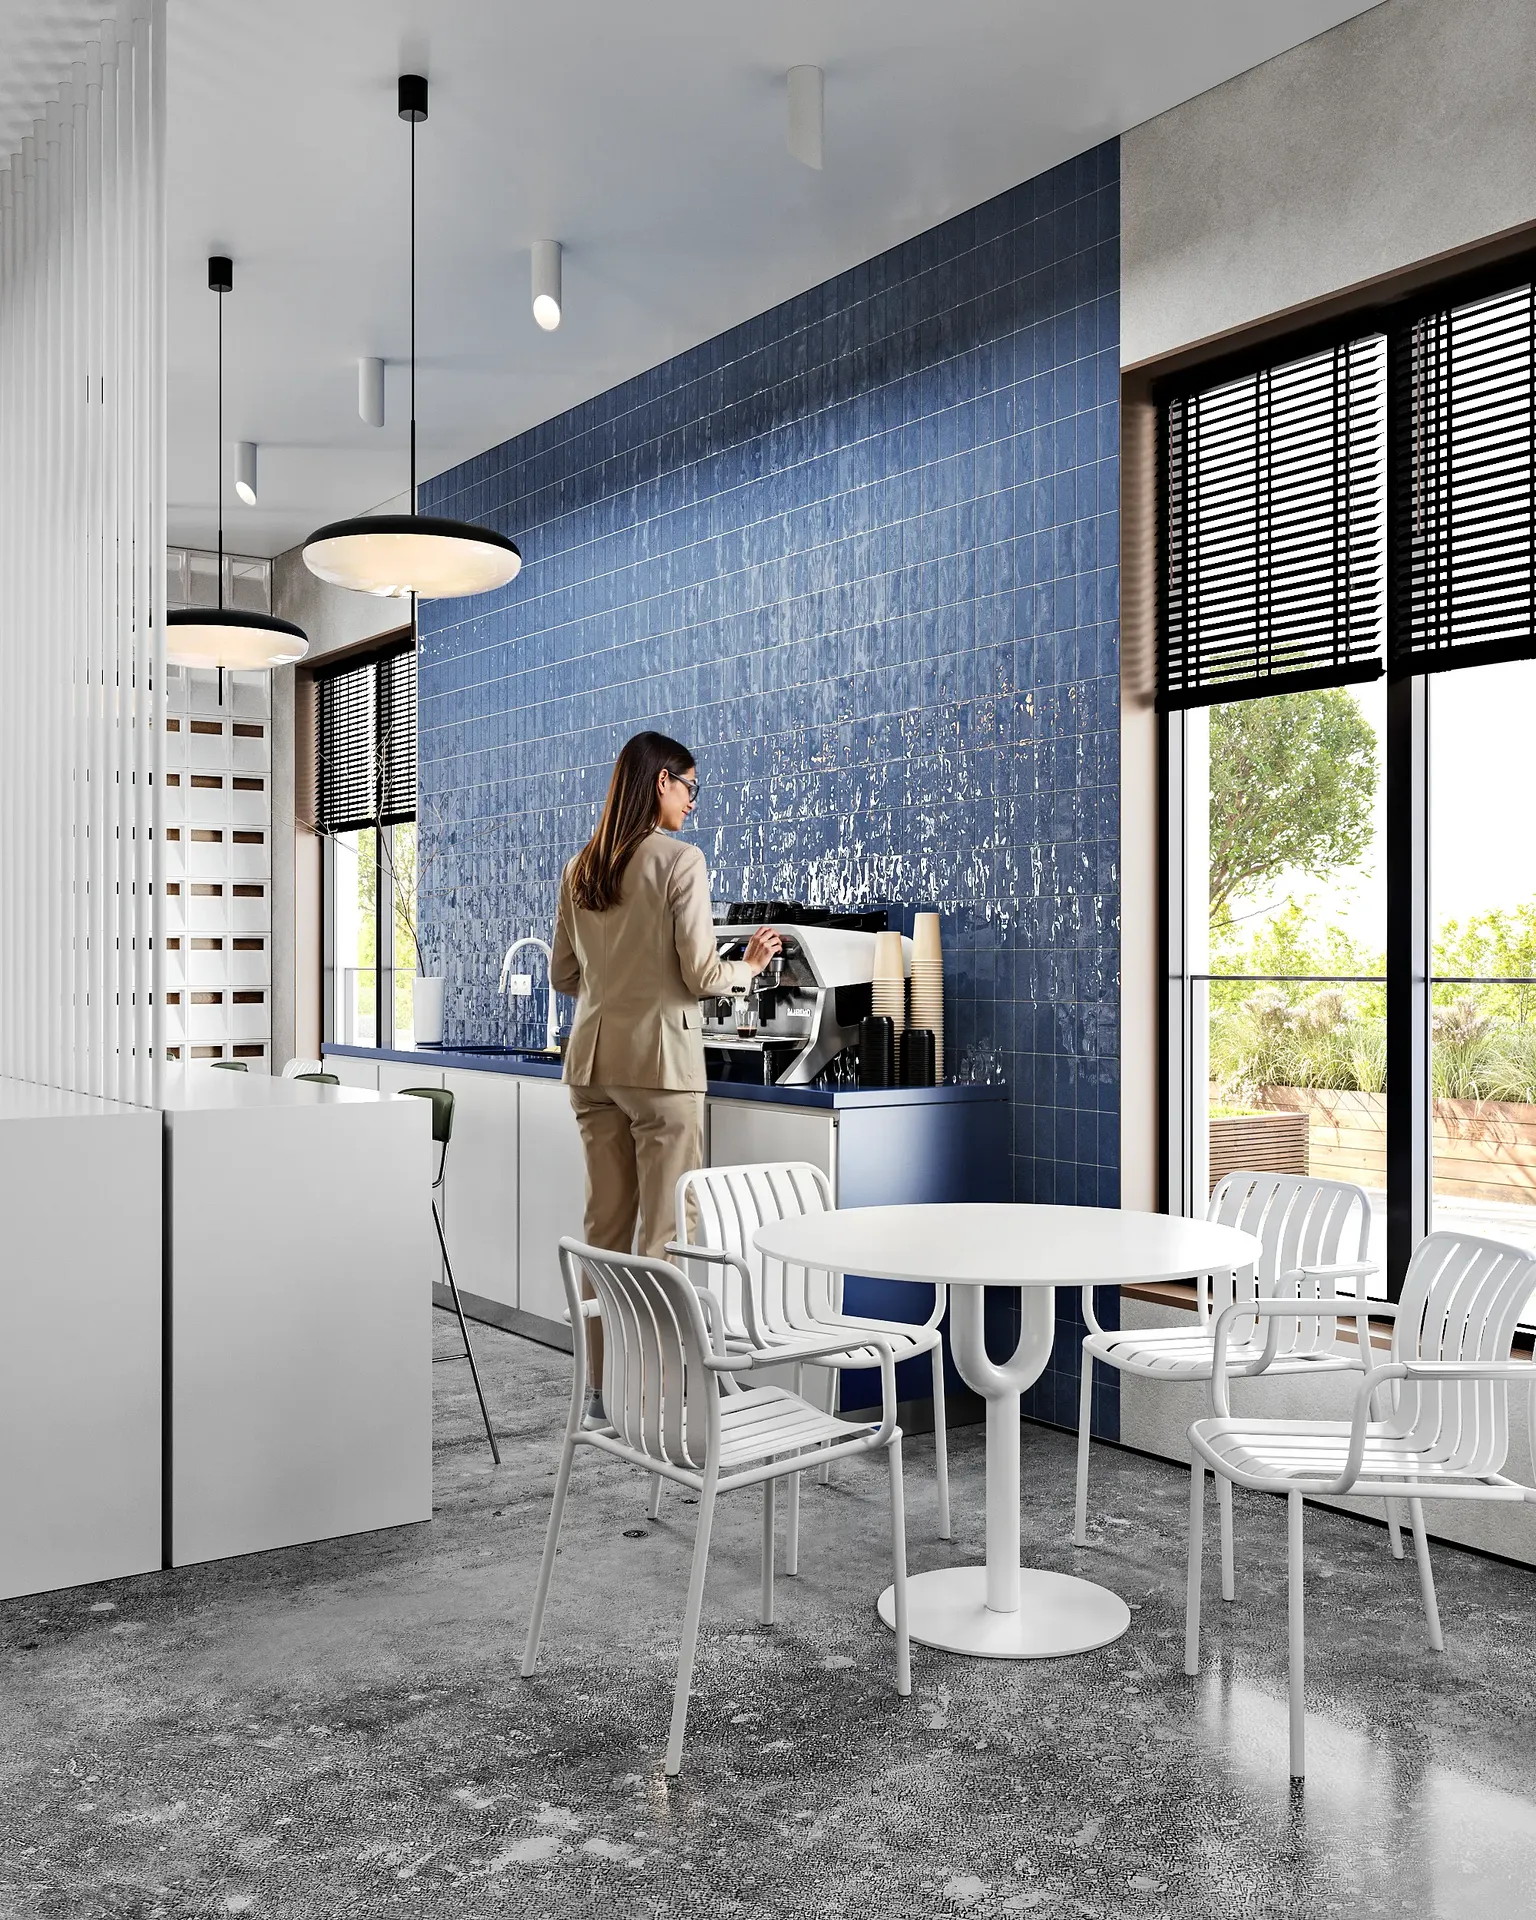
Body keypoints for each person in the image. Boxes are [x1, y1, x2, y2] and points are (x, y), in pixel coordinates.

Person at [551, 731, 781, 1419]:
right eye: (690, 786)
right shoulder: (680, 861)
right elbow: (701, 974)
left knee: (605, 1231)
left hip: (592, 1065)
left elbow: (565, 974)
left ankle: (598, 1391)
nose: (692, 802)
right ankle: (654, 1394)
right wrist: (753, 965)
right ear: (661, 783)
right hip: (661, 1069)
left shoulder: (580, 867)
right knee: (664, 1240)